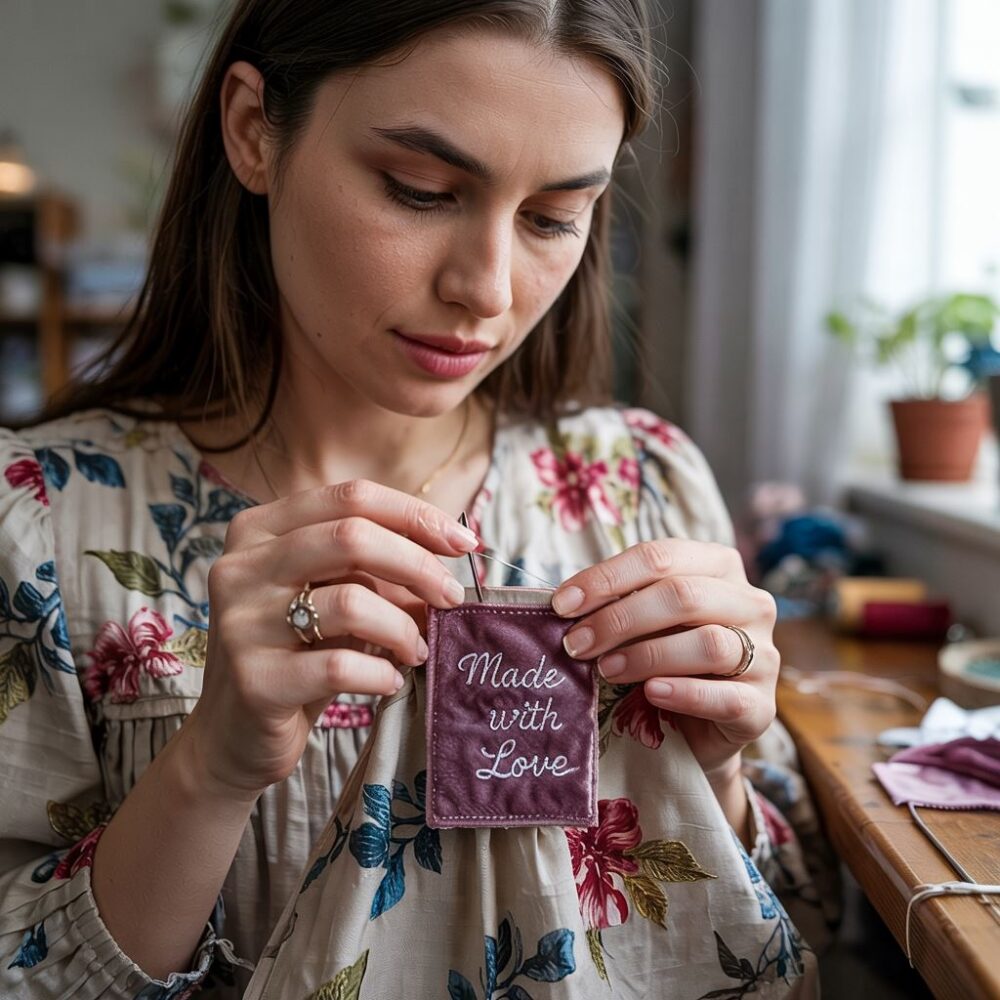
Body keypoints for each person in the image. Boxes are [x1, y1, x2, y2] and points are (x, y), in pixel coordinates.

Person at [0, 2, 828, 997]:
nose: (486, 287)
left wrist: (717, 776)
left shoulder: (643, 483)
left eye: (552, 216)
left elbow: (788, 909)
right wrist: (206, 772)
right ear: (254, 128)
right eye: (421, 190)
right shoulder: (42, 523)